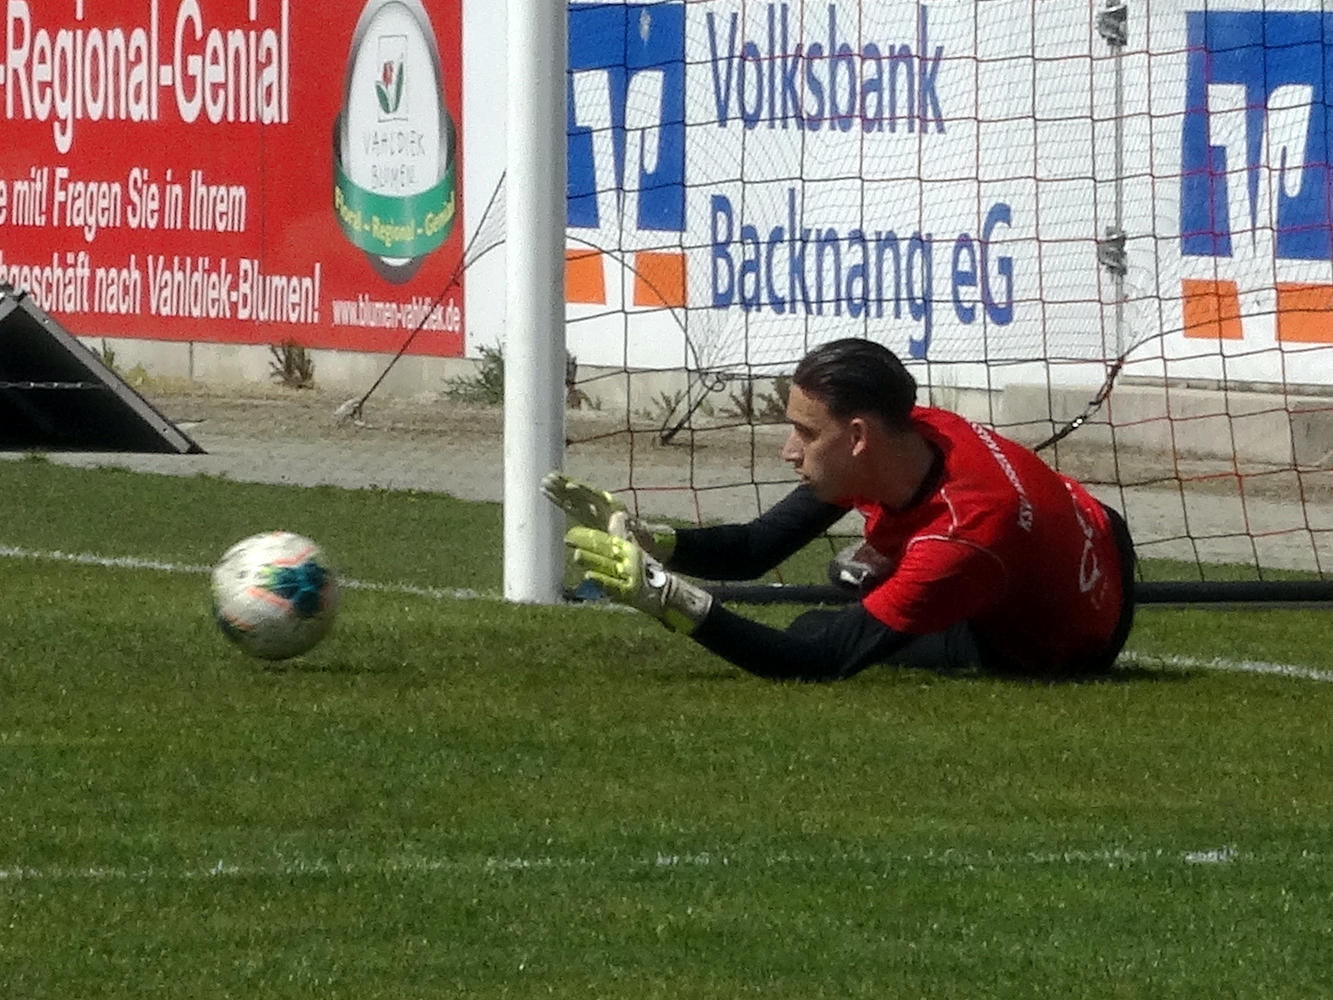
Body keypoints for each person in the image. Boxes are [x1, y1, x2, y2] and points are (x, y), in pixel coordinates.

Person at [542, 338, 1136, 682]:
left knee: (815, 627)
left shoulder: (961, 539)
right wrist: (653, 539)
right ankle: (883, 562)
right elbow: (756, 548)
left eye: (804, 432)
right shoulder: (913, 432)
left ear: (857, 437)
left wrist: (668, 598)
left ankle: (886, 566)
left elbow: (817, 661)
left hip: (1066, 646)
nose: (788, 450)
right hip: (1100, 530)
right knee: (857, 588)